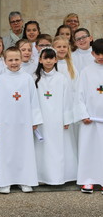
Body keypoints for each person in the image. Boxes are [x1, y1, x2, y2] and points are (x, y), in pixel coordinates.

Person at [0, 47, 43, 194]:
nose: (14, 63)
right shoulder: (1, 79)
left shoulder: (27, 78)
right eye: (10, 60)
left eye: (16, 59)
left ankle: (25, 180)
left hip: (24, 121)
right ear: (4, 61)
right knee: (6, 150)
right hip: (5, 122)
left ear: (21, 59)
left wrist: (35, 120)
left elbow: (34, 100)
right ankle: (5, 181)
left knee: (24, 150)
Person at [33, 48, 72, 185]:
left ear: (56, 60)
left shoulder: (61, 78)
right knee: (40, 148)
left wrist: (66, 119)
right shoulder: (34, 78)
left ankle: (56, 177)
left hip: (57, 119)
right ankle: (40, 176)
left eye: (51, 58)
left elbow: (67, 100)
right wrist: (34, 118)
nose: (48, 61)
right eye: (45, 58)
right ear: (40, 59)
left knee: (56, 148)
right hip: (41, 119)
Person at [74, 39, 103, 194]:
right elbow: (79, 95)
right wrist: (83, 114)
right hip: (90, 119)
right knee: (89, 150)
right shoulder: (86, 71)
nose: (101, 56)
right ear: (92, 53)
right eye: (97, 53)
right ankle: (87, 180)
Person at [52, 36, 79, 182]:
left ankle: (68, 173)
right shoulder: (50, 66)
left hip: (68, 108)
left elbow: (76, 88)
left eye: (64, 47)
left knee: (68, 140)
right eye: (59, 47)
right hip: (53, 108)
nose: (62, 49)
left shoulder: (72, 66)